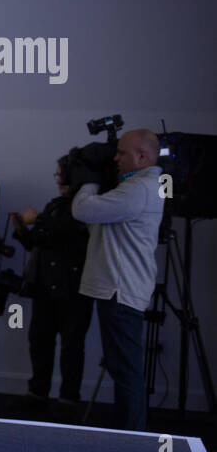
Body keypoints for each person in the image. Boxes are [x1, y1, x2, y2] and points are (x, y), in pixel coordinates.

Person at [70, 128, 164, 431]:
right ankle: (129, 438)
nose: (115, 157)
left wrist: (90, 179)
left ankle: (131, 442)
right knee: (123, 369)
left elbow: (83, 210)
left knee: (126, 372)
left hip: (120, 291)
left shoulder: (141, 189)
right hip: (118, 289)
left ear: (142, 156)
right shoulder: (135, 186)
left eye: (121, 153)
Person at [10, 159, 92, 415]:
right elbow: (40, 242)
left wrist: (39, 219)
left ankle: (68, 399)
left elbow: (67, 232)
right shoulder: (54, 206)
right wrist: (22, 229)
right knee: (39, 341)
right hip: (45, 287)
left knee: (71, 345)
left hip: (75, 288)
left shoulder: (87, 207)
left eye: (61, 175)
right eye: (56, 175)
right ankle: (37, 392)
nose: (57, 181)